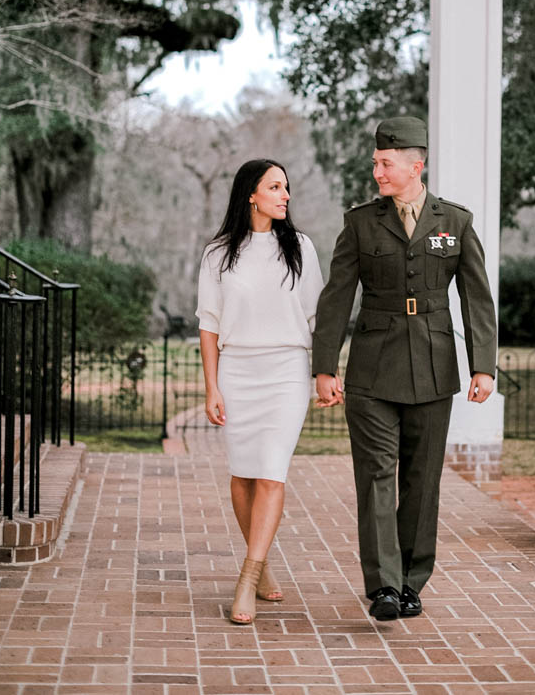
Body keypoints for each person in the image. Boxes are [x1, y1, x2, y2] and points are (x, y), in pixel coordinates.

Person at [312, 116, 497, 621]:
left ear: (417, 165)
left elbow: (477, 298)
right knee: (376, 475)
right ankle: (385, 587)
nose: (378, 172)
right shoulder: (360, 223)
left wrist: (485, 366)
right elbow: (336, 298)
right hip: (372, 368)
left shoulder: (455, 222)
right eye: (375, 163)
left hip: (434, 366)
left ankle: (413, 582)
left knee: (422, 478)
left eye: (386, 164)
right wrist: (324, 365)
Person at [196, 158, 324, 625]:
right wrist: (212, 386)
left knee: (271, 472)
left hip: (288, 370)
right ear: (251, 193)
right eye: (275, 187)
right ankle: (264, 562)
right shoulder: (218, 253)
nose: (285, 194)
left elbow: (317, 317)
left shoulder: (302, 248)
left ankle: (247, 577)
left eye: (287, 187)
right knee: (243, 474)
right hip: (237, 370)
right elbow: (209, 326)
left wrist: (325, 372)